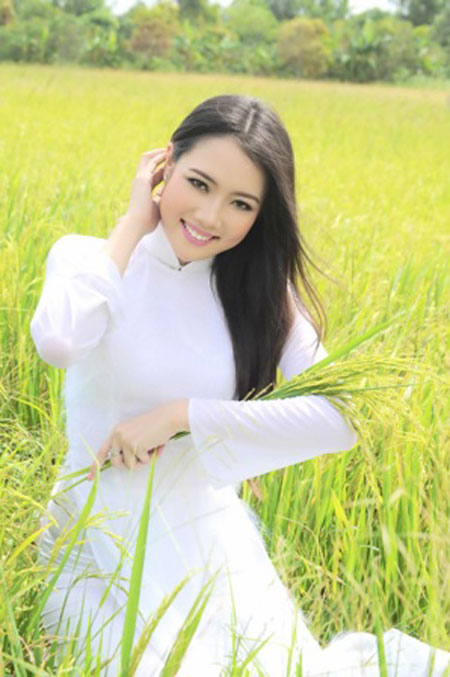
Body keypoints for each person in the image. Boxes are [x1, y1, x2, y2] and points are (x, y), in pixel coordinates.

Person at [30, 95, 449, 676]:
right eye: (198, 184)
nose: (210, 217)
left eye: (241, 204)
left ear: (261, 214)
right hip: (93, 539)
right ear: (165, 164)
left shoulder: (261, 297)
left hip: (206, 542)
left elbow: (343, 418)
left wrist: (180, 415)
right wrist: (133, 222)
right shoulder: (88, 259)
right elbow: (59, 342)